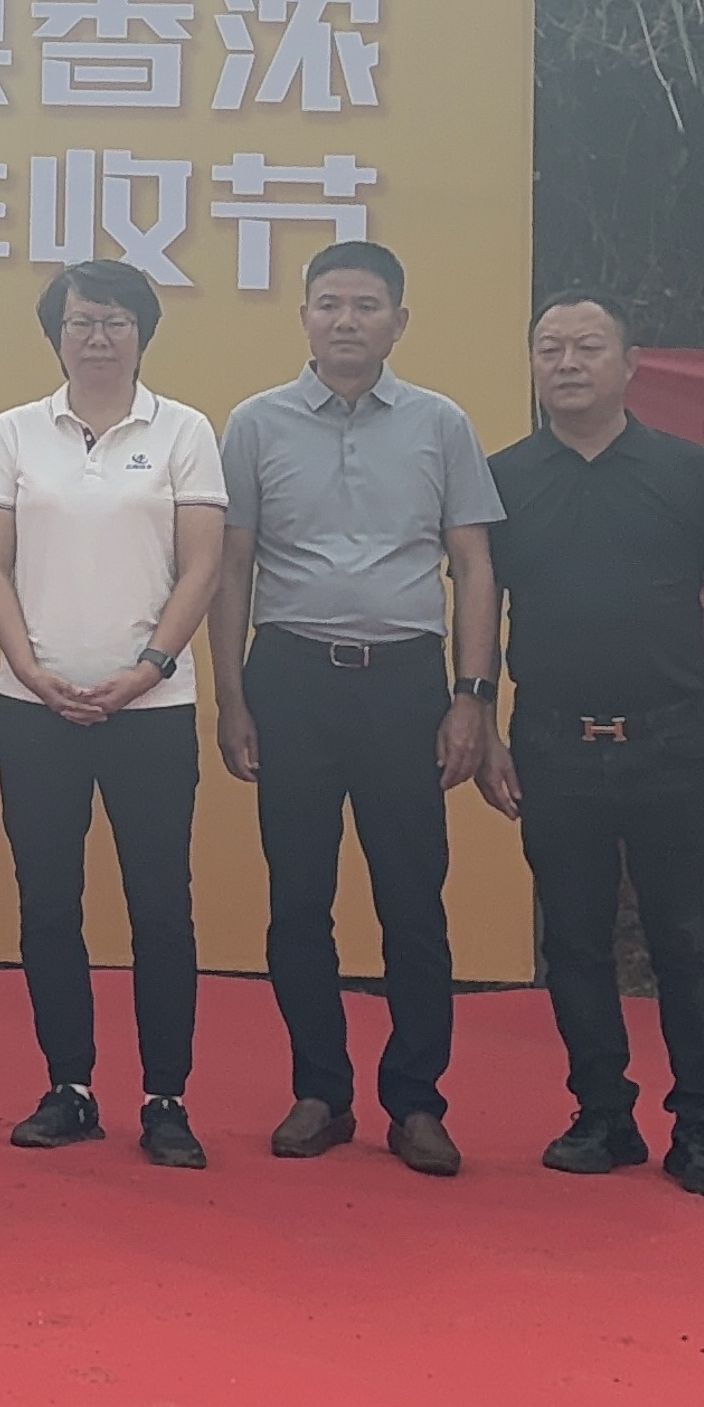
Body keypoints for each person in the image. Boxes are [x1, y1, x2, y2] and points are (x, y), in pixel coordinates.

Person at [208, 240, 503, 1175]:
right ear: (304, 316)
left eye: (366, 305)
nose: (346, 321)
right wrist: (231, 696)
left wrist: (472, 697)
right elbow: (232, 568)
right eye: (329, 304)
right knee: (298, 900)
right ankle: (320, 1092)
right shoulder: (254, 424)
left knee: (413, 901)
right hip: (291, 678)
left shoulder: (440, 424)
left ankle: (416, 1102)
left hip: (407, 684)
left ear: (399, 322)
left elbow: (474, 567)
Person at [479, 288, 704, 1200]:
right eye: (550, 349)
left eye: (587, 347)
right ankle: (602, 1114)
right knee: (574, 941)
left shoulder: (688, 473)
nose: (567, 364)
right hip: (553, 744)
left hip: (670, 742)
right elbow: (481, 602)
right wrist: (479, 720)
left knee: (688, 941)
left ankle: (703, 1130)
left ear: (631, 364)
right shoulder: (502, 479)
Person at [0, 259, 227, 1167]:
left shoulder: (184, 430)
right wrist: (30, 669)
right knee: (48, 903)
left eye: (115, 322)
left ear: (143, 333)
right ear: (57, 335)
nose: (98, 338)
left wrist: (148, 667)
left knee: (161, 906)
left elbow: (203, 564)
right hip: (33, 708)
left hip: (151, 709)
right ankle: (68, 1086)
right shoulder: (16, 432)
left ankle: (166, 1097)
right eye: (81, 322)